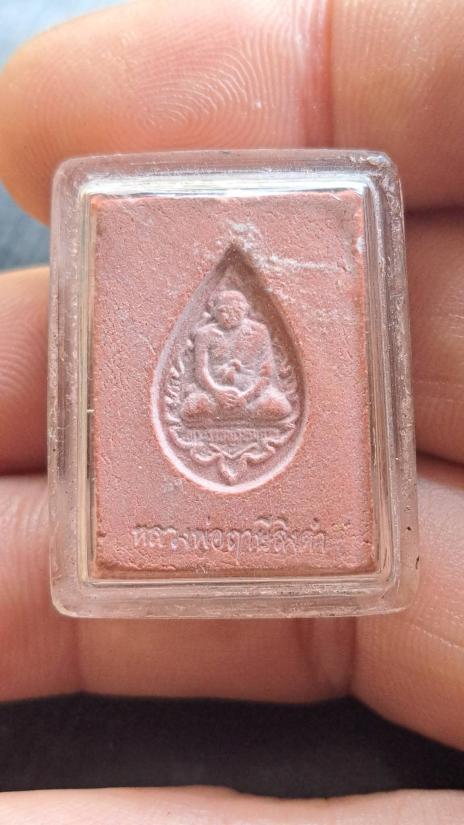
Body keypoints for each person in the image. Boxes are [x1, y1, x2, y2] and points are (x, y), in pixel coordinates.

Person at [0, 0, 463, 821]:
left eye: (230, 312)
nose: (224, 317)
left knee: (272, 396)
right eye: (218, 312)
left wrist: (243, 390)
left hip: (251, 410)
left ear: (242, 309)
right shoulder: (208, 329)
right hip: (214, 411)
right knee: (202, 397)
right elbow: (202, 377)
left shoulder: (251, 329)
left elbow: (260, 380)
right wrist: (220, 389)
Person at [181, 288, 292, 422]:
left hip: (251, 396)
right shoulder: (204, 334)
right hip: (215, 396)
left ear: (245, 311)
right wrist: (216, 392)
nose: (228, 316)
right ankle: (239, 414)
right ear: (213, 311)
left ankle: (232, 414)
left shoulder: (259, 331)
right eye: (223, 311)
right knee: (190, 409)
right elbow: (201, 371)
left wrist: (246, 397)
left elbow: (266, 373)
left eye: (236, 310)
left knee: (281, 407)